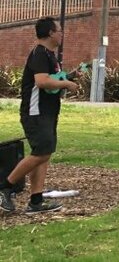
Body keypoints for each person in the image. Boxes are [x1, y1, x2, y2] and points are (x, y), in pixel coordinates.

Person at [0, 17, 80, 215]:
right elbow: (42, 81)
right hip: (35, 113)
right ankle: (5, 187)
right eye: (59, 30)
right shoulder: (39, 54)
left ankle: (36, 202)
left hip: (48, 112)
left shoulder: (50, 55)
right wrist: (66, 84)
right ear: (51, 33)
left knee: (44, 154)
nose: (62, 34)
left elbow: (51, 79)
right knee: (41, 152)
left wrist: (68, 77)